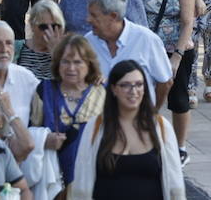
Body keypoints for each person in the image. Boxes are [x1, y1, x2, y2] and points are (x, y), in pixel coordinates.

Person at [123, 0, 198, 156]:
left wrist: (177, 56)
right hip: (146, 47)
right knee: (143, 96)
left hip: (175, 47)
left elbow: (187, 23)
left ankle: (180, 147)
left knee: (178, 99)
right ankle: (146, 141)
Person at [69, 59, 183, 200]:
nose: (133, 91)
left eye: (139, 85)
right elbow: (81, 183)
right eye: (125, 85)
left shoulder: (161, 127)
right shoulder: (95, 127)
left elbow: (175, 185)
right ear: (113, 89)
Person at [31, 33, 105, 187]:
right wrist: (44, 140)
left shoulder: (102, 93)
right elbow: (30, 132)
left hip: (94, 180)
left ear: (89, 64)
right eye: (65, 62)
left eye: (78, 62)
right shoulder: (44, 90)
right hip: (52, 180)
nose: (71, 68)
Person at [16, 0, 65, 79]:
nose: (49, 31)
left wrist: (56, 53)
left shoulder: (69, 50)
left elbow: (71, 83)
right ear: (32, 26)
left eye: (54, 26)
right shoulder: (17, 48)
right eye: (44, 27)